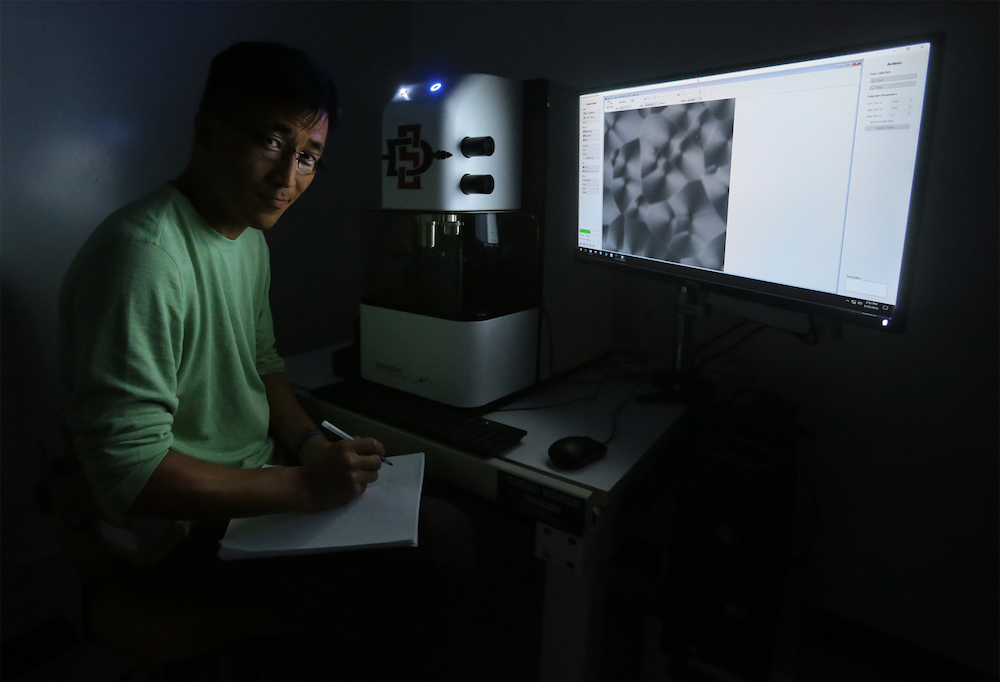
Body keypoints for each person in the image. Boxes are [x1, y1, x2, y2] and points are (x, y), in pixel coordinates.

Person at [59, 42, 474, 678]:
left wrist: (308, 444)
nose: (289, 179)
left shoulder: (248, 236)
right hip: (180, 528)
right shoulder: (143, 257)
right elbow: (129, 475)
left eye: (309, 157)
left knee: (433, 523)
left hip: (255, 483)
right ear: (207, 130)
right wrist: (303, 486)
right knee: (432, 549)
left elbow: (261, 362)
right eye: (273, 143)